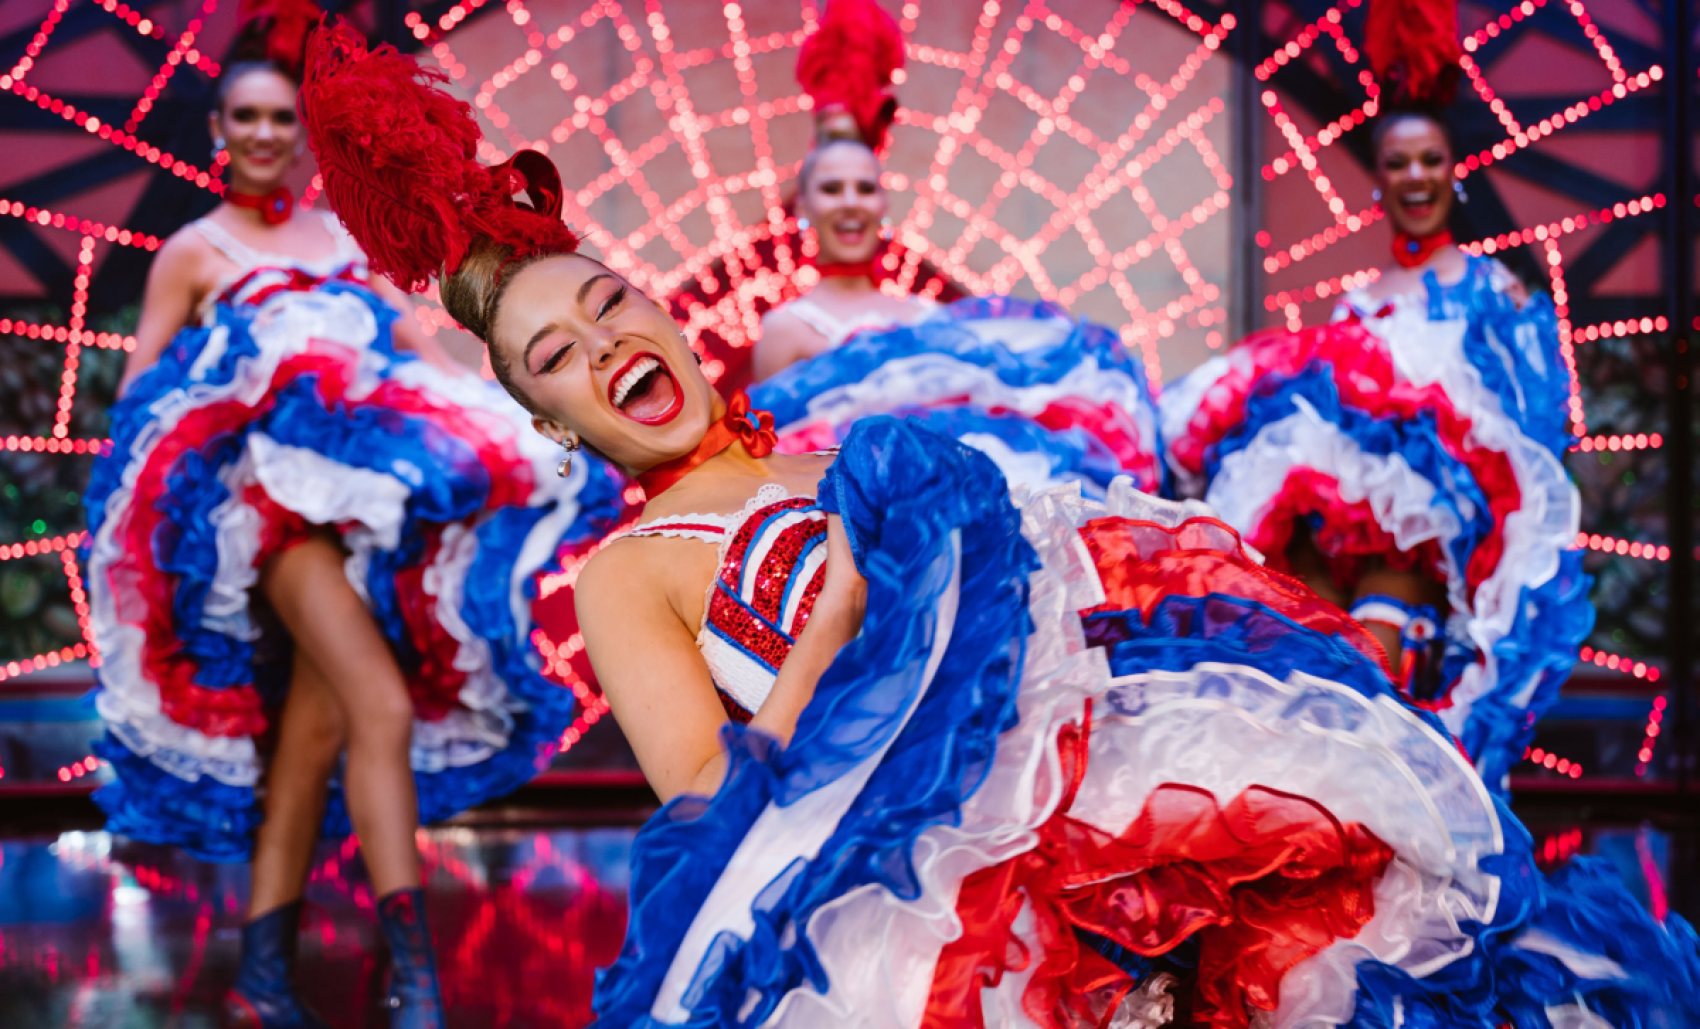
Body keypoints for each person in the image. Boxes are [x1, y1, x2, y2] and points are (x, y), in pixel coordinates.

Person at [306, 21, 1699, 1029]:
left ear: (665, 311)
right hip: (924, 914)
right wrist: (838, 622)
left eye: (609, 304)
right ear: (554, 422)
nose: (602, 346)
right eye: (555, 358)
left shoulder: (845, 450)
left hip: (1121, 820)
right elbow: (712, 817)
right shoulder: (631, 572)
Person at [83, 6, 621, 1026]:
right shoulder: (194, 252)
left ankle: (264, 975)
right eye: (243, 117)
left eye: (279, 118)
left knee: (314, 730)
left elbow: (411, 365)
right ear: (217, 129)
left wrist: (511, 426)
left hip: (361, 531)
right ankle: (418, 975)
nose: (261, 135)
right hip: (261, 534)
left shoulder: (337, 239)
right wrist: (229, 387)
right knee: (376, 705)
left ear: (300, 132)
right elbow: (138, 399)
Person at [1159, 0, 1587, 796]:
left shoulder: (1495, 295)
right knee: (1288, 699)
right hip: (1328, 556)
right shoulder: (1356, 307)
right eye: (1397, 164)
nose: (1415, 178)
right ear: (1379, 178)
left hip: (1432, 578)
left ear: (1453, 168)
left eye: (1429, 160)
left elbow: (1535, 458)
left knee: (1372, 710)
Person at [750, 0, 1165, 498]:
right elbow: (774, 465)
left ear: (883, 199)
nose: (850, 204)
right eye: (833, 189)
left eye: (864, 188)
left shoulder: (925, 314)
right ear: (806, 203)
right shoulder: (786, 330)